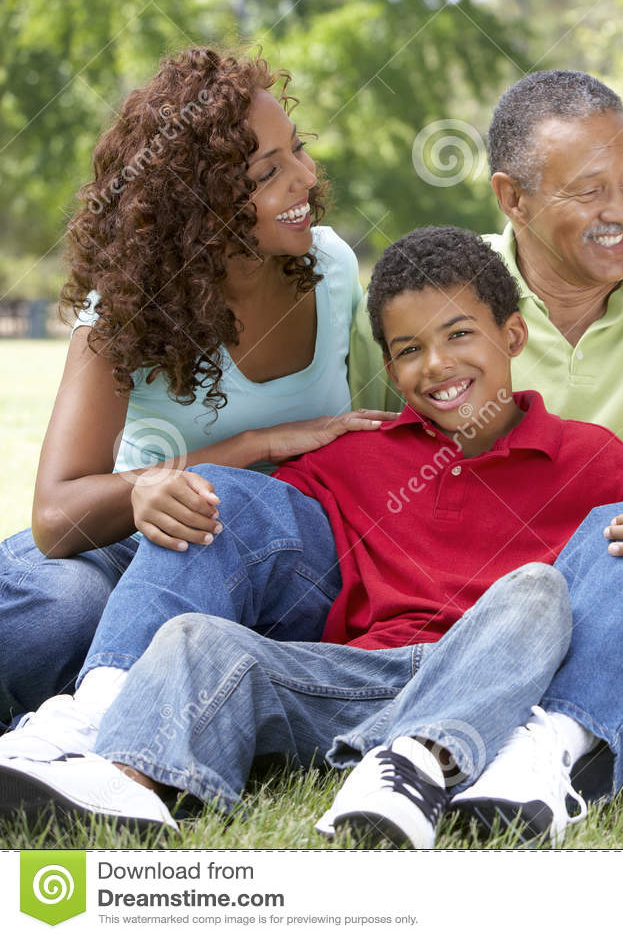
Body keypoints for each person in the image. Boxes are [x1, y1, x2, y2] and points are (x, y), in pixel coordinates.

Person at [0, 226, 623, 847]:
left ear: (513, 335)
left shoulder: (590, 457)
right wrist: (171, 478)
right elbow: (245, 534)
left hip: (520, 698)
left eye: (460, 333)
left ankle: (535, 762)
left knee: (610, 548)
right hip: (357, 685)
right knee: (203, 583)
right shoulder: (358, 456)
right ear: (391, 365)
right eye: (409, 349)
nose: (436, 366)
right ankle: (120, 761)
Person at [0, 47, 395, 730]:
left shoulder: (331, 269)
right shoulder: (129, 306)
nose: (305, 178)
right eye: (270, 173)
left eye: (296, 151)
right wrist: (247, 446)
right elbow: (57, 515)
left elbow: (378, 432)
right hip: (125, 544)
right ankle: (86, 705)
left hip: (267, 561)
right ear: (202, 209)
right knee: (58, 608)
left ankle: (91, 706)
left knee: (184, 630)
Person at [349, 70, 623, 491]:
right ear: (513, 198)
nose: (622, 213)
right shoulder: (418, 301)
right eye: (589, 192)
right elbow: (368, 466)